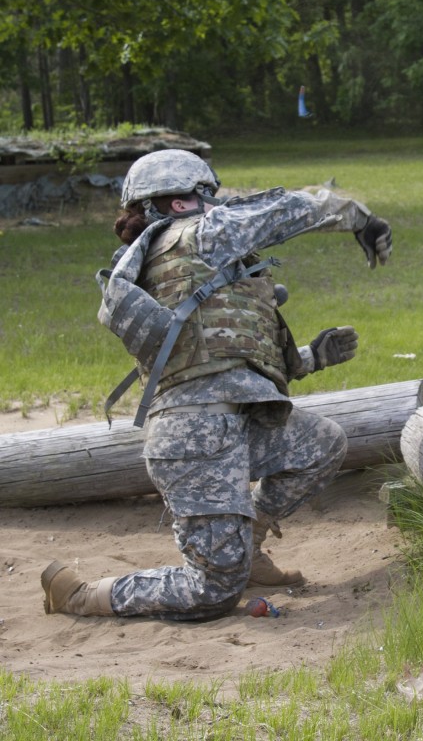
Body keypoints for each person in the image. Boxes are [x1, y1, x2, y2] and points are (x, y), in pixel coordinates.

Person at [41, 149, 392, 621]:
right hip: (193, 441)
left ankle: (249, 548)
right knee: (211, 591)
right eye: (206, 194)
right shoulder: (201, 235)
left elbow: (218, 360)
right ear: (184, 200)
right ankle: (81, 595)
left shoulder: (173, 261)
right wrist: (360, 218)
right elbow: (293, 209)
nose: (214, 202)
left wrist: (310, 357)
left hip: (231, 419)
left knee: (322, 443)